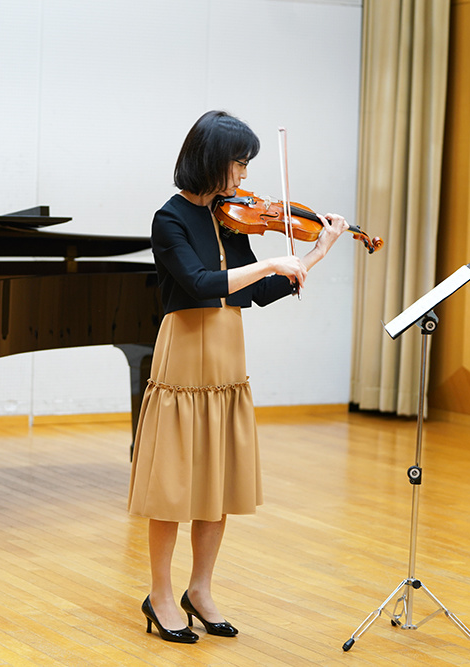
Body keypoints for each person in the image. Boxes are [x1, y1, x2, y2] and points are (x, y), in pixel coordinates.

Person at [128, 111, 349, 643]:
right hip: (185, 354)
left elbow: (257, 292)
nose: (245, 174)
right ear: (212, 159)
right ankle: (160, 595)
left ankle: (200, 590)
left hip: (227, 355)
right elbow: (202, 283)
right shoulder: (169, 219)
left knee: (217, 481)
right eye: (239, 162)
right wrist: (271, 262)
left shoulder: (230, 217)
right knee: (173, 485)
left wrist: (316, 252)